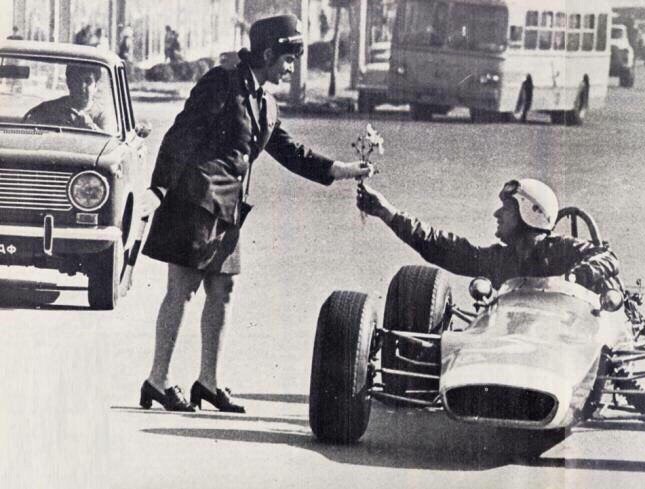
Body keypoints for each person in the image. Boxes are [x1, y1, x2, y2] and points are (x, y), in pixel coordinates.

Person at [137, 14, 373, 413]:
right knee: (182, 289)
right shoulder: (222, 82)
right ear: (267, 53)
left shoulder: (266, 101)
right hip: (195, 200)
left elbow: (289, 151)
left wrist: (342, 170)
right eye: (288, 59)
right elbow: (182, 133)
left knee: (223, 292)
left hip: (227, 209)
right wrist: (158, 190)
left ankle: (207, 382)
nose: (291, 67)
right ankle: (157, 381)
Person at [356, 179, 620, 293]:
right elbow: (441, 246)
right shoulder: (499, 259)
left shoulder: (561, 249)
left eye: (506, 209)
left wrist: (577, 276)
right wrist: (387, 213)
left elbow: (607, 256)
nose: (497, 214)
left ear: (529, 213)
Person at [23, 64, 110, 132]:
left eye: (88, 81)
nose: (82, 86)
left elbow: (110, 143)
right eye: (76, 80)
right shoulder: (49, 108)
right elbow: (26, 129)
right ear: (69, 83)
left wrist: (92, 128)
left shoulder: (102, 116)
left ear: (96, 87)